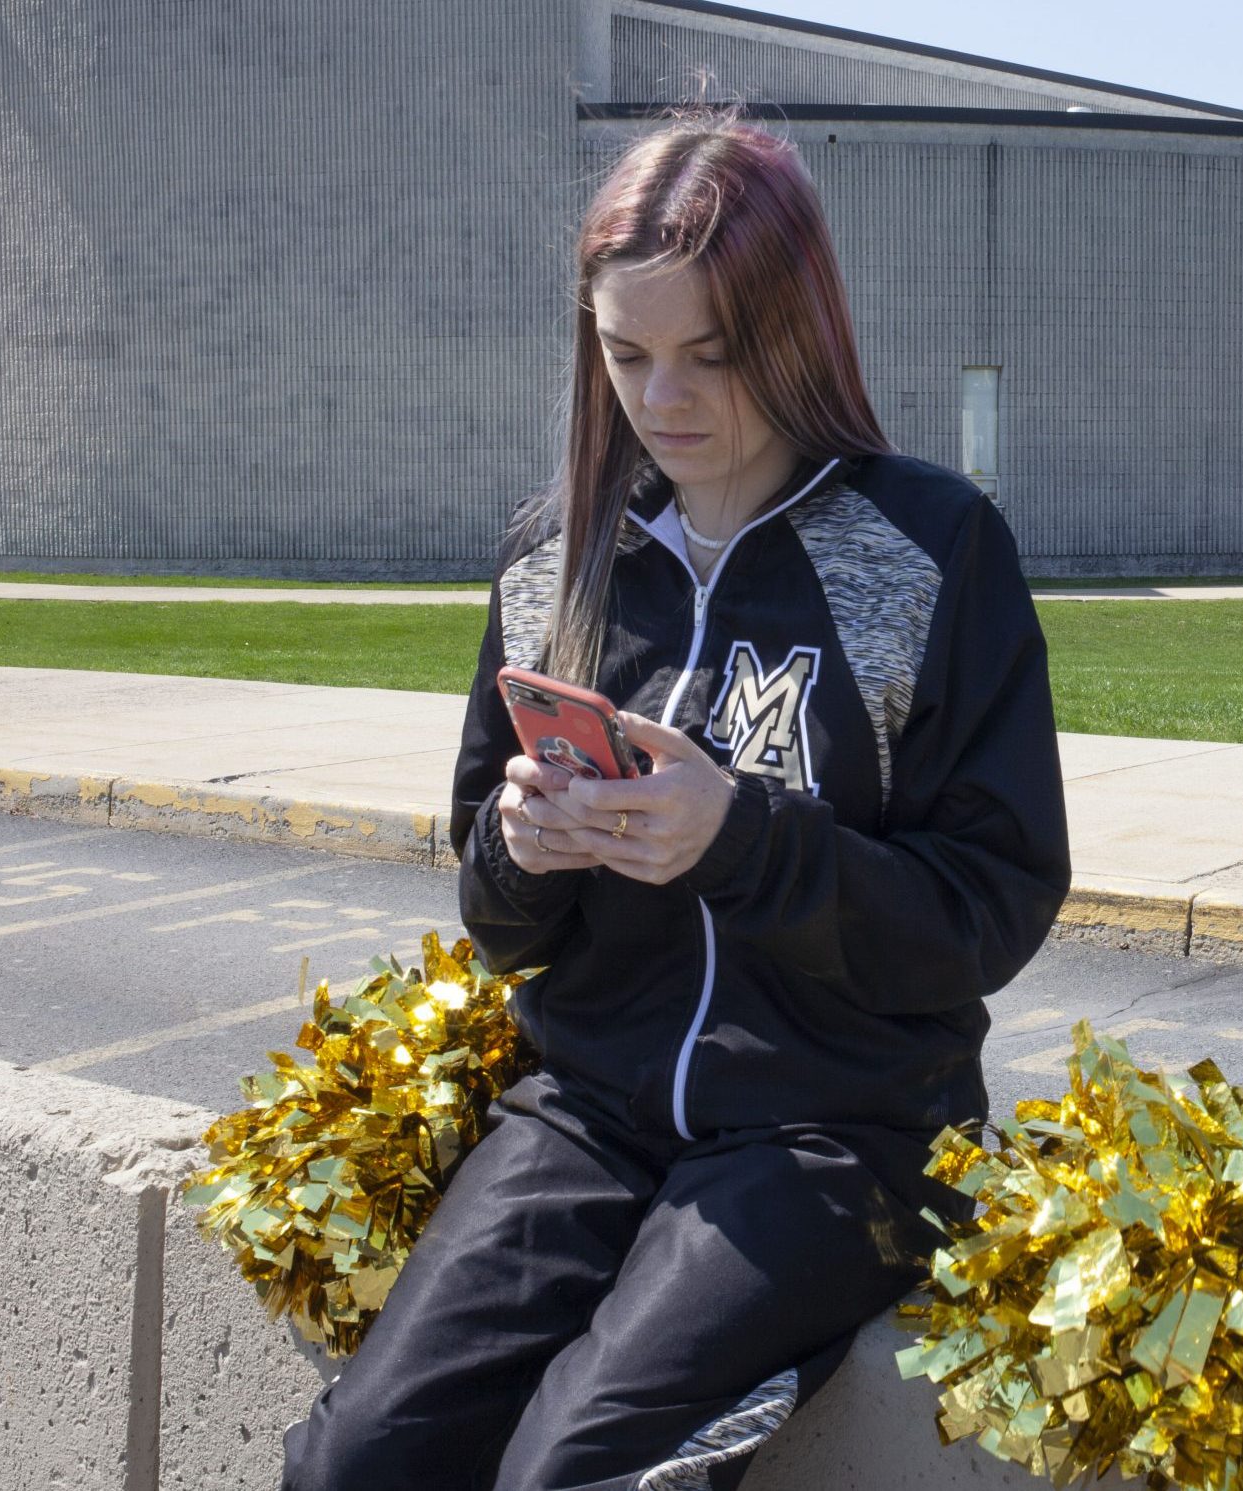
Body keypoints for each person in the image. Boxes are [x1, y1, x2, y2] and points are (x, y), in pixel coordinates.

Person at [281, 110, 1071, 1491]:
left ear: (799, 329)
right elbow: (497, 915)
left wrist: (743, 841)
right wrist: (525, 854)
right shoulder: (555, 559)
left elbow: (991, 906)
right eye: (627, 353)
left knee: (567, 1471)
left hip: (846, 1139)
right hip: (592, 1107)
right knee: (356, 1462)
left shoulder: (931, 548)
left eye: (713, 354)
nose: (666, 398)